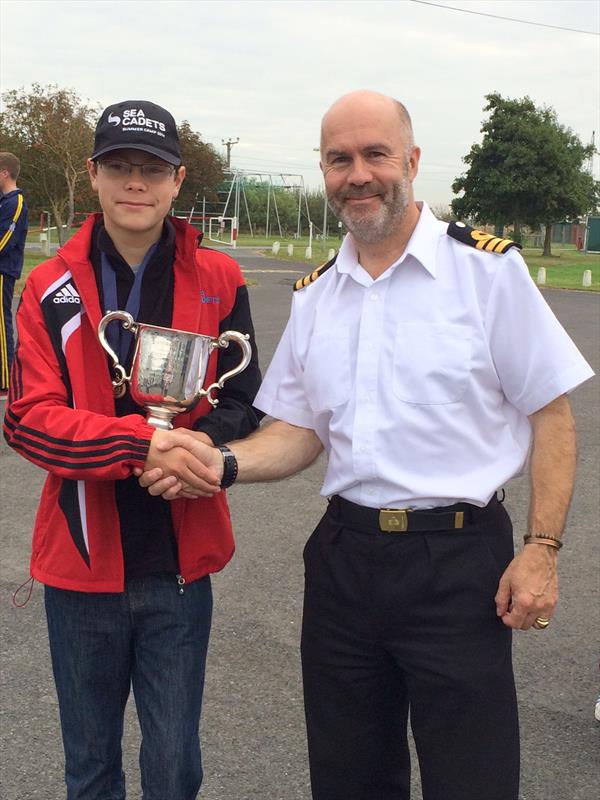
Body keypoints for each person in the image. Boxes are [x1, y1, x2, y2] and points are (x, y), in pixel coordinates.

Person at [139, 91, 594, 800]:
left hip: (459, 564)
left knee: (472, 777)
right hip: (345, 564)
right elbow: (299, 431)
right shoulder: (319, 295)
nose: (358, 174)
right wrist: (221, 462)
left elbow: (553, 415)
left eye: (375, 154)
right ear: (324, 171)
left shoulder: (487, 273)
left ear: (411, 161)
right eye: (339, 159)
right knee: (349, 777)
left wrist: (542, 549)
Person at [3, 100, 262, 800]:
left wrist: (196, 451)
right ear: (93, 175)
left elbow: (243, 399)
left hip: (179, 565)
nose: (136, 183)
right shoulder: (47, 286)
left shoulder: (221, 279)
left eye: (152, 169)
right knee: (89, 767)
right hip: (80, 569)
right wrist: (145, 441)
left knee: (176, 766)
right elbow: (28, 421)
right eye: (120, 166)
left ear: (178, 181)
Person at [0, 152, 28, 399]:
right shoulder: (3, 200)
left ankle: (5, 377)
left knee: (1, 322)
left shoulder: (15, 202)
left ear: (4, 173)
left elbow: (6, 239)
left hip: (2, 270)